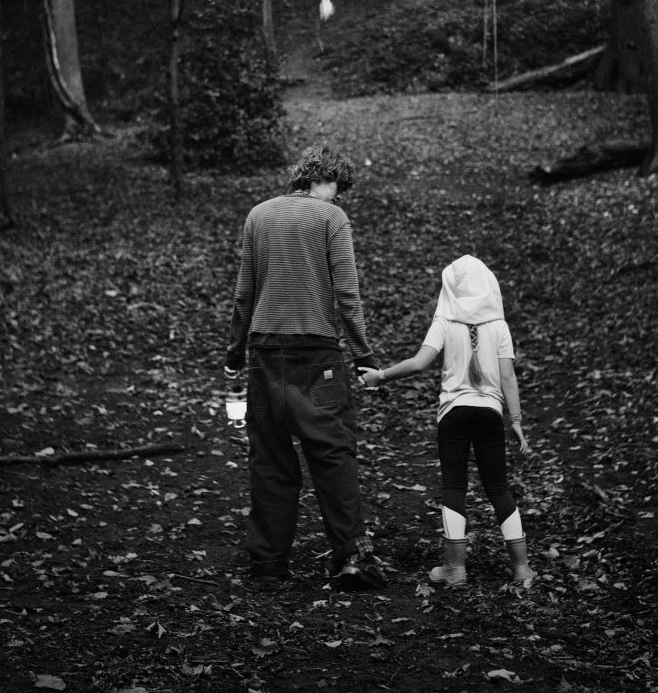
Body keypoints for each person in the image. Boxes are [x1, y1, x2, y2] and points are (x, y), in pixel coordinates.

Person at [225, 143, 385, 592]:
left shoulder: (258, 215)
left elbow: (244, 292)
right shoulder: (332, 219)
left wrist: (235, 353)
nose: (339, 198)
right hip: (317, 356)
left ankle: (268, 565)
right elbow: (347, 296)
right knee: (333, 453)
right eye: (339, 189)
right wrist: (363, 355)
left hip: (263, 355)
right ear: (326, 180)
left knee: (270, 461)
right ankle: (351, 558)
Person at [358, 255, 534, 588]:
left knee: (454, 487)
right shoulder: (499, 325)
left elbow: (419, 362)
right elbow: (508, 377)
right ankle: (522, 569)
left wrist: (380, 376)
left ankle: (455, 569)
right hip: (490, 413)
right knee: (498, 488)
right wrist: (516, 420)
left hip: (453, 414)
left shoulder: (445, 321)